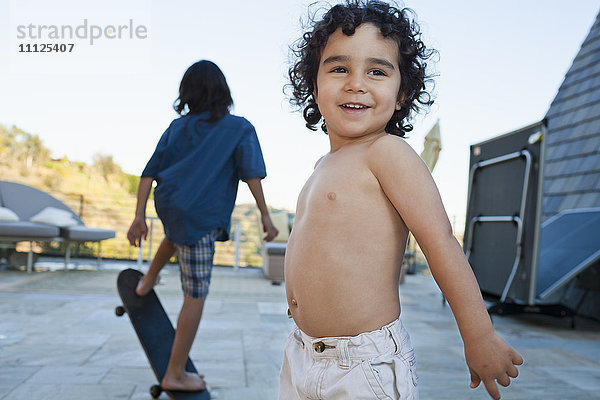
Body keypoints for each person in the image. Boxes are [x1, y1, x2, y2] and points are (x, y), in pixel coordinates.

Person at [280, 2, 523, 399]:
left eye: (376, 71)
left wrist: (478, 335)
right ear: (314, 84)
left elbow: (440, 242)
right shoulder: (324, 164)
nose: (356, 82)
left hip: (362, 365)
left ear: (401, 94)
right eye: (338, 68)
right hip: (302, 352)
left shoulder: (388, 153)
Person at [127, 60, 279, 392]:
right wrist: (265, 216)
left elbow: (147, 174)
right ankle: (175, 373)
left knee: (177, 233)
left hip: (168, 202)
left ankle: (146, 282)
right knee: (195, 294)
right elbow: (251, 173)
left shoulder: (176, 128)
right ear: (222, 90)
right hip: (200, 212)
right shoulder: (240, 128)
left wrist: (139, 216)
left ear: (188, 93)